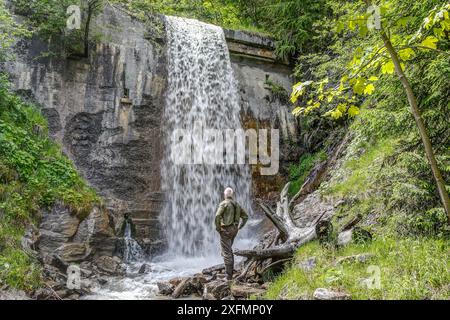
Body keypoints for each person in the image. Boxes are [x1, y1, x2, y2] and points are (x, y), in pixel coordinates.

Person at [215, 187, 248, 280]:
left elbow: (217, 216)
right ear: (232, 195)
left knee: (226, 252)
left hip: (225, 230)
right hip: (234, 229)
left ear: (225, 195)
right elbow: (245, 217)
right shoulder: (237, 204)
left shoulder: (224, 204)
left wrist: (218, 228)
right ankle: (230, 272)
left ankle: (228, 276)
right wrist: (240, 226)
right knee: (229, 250)